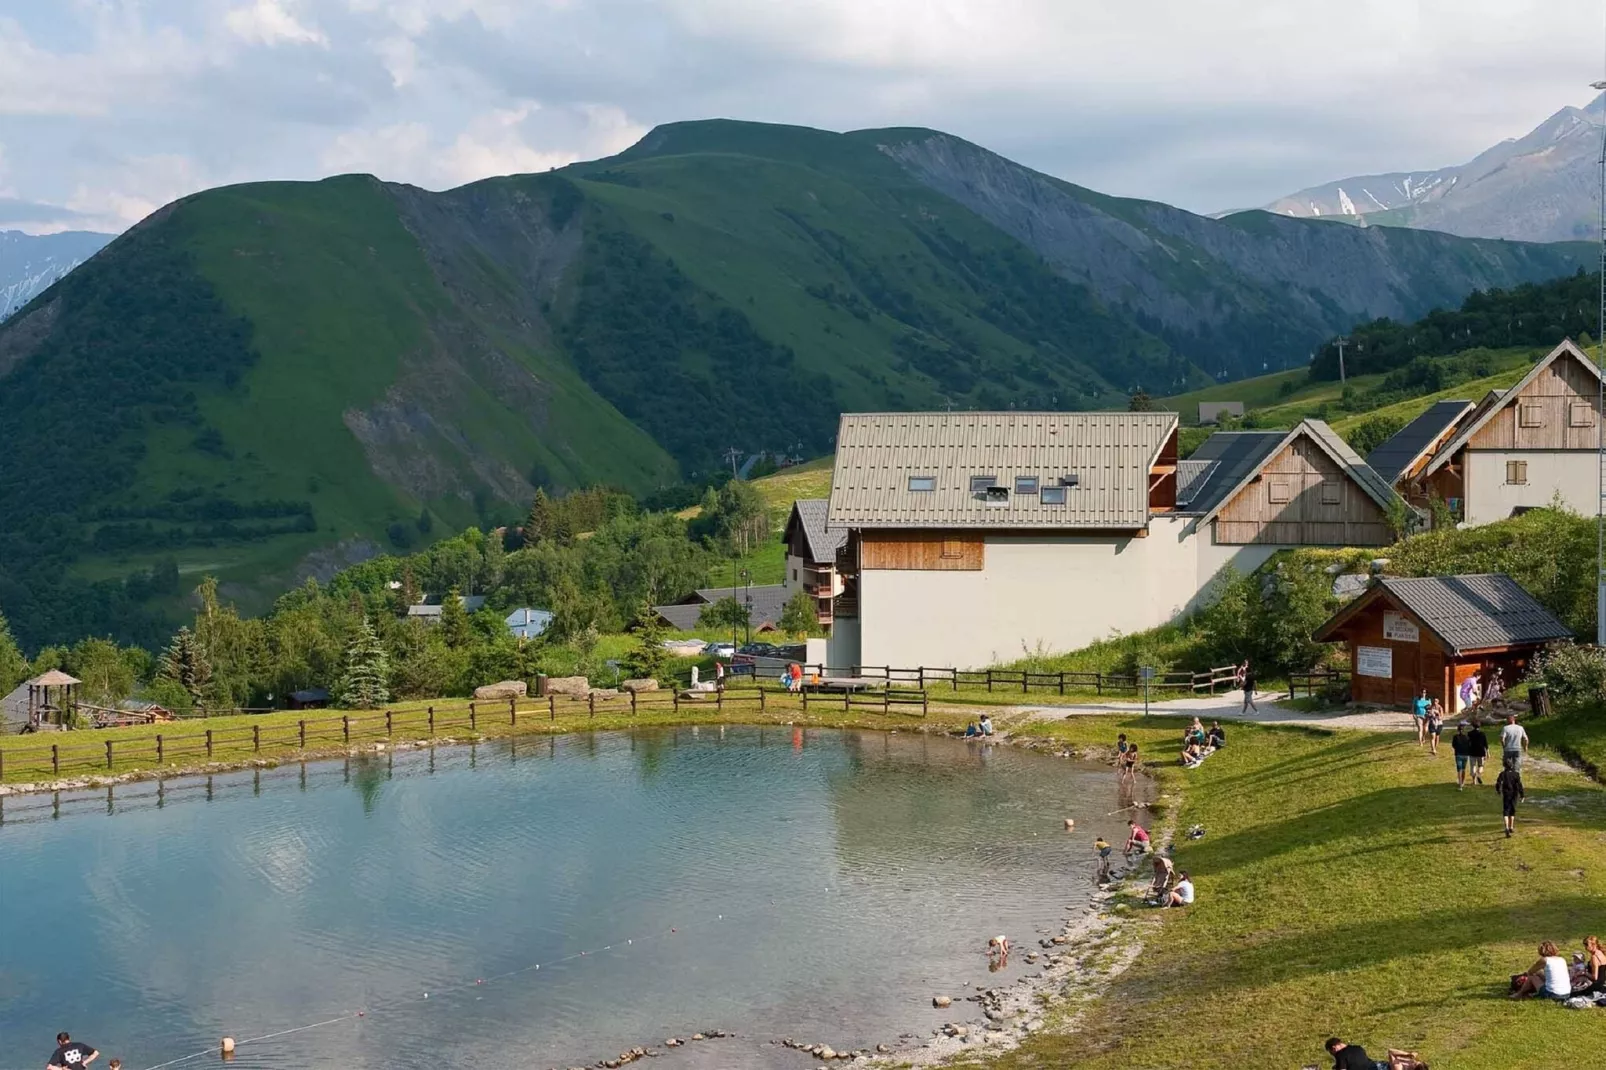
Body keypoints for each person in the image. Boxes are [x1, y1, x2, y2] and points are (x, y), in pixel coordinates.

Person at [1324, 1038, 1427, 1070]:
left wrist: (1407, 1055)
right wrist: (1408, 1055)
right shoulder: (1405, 1063)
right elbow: (1391, 1051)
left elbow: (1391, 1052)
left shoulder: (1398, 1067)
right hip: (1372, 1065)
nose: (1414, 1061)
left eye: (1415, 1063)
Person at [1495, 760, 1525, 837]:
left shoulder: (1502, 774)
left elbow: (1498, 783)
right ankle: (1511, 827)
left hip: (1506, 794)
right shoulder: (1516, 774)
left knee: (1506, 811)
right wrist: (1522, 795)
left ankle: (1507, 828)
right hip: (1514, 794)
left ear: (1504, 766)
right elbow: (1519, 785)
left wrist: (1498, 790)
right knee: (1512, 810)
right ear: (1512, 765)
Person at [1467, 719, 1489, 785]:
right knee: (1480, 765)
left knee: (1473, 766)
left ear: (1473, 726)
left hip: (1472, 752)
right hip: (1481, 752)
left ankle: (1474, 781)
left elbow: (1468, 743)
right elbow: (1486, 744)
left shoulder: (1469, 733)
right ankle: (1478, 775)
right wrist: (1487, 753)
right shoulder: (1482, 734)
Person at [1450, 721, 1472, 789]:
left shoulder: (1455, 737)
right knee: (1463, 769)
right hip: (1465, 754)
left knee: (1459, 769)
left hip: (1458, 754)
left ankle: (1460, 784)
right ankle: (1462, 781)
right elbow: (1469, 745)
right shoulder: (1467, 737)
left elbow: (1453, 745)